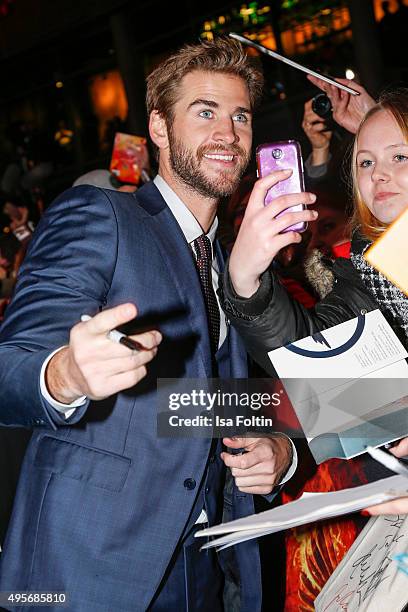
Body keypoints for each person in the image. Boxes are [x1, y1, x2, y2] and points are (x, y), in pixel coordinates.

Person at [0, 38, 295, 612]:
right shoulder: (104, 215)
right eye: (205, 112)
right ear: (158, 128)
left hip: (208, 567)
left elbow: (195, 403)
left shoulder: (239, 257)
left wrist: (279, 449)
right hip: (86, 568)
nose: (227, 133)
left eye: (240, 116)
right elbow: (10, 365)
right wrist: (64, 375)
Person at [220, 89, 408, 520]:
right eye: (366, 162)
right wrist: (247, 279)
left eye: (399, 157)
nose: (378, 175)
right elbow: (320, 368)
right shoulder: (371, 273)